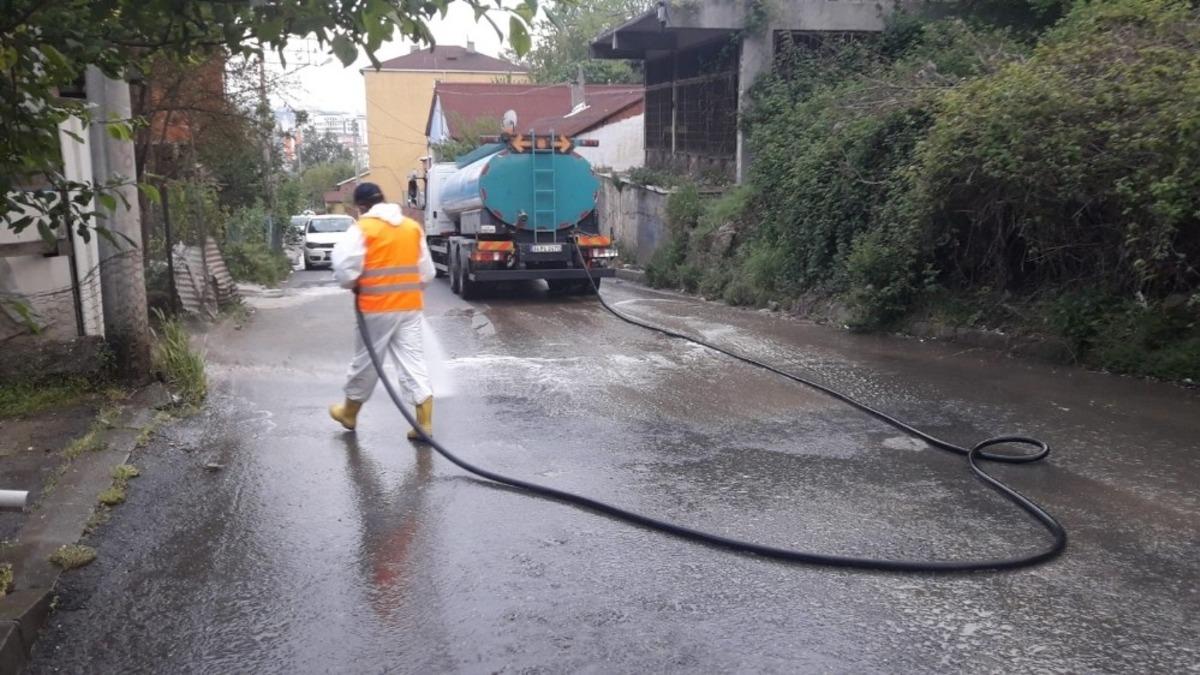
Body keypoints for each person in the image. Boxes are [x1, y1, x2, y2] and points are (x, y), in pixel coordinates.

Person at [328, 182, 436, 440]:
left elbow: (345, 270)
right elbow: (428, 273)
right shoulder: (411, 228)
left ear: (361, 206)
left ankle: (349, 413)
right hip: (410, 307)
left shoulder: (363, 229)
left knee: (366, 362)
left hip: (375, 307)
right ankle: (425, 423)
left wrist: (354, 284)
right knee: (413, 362)